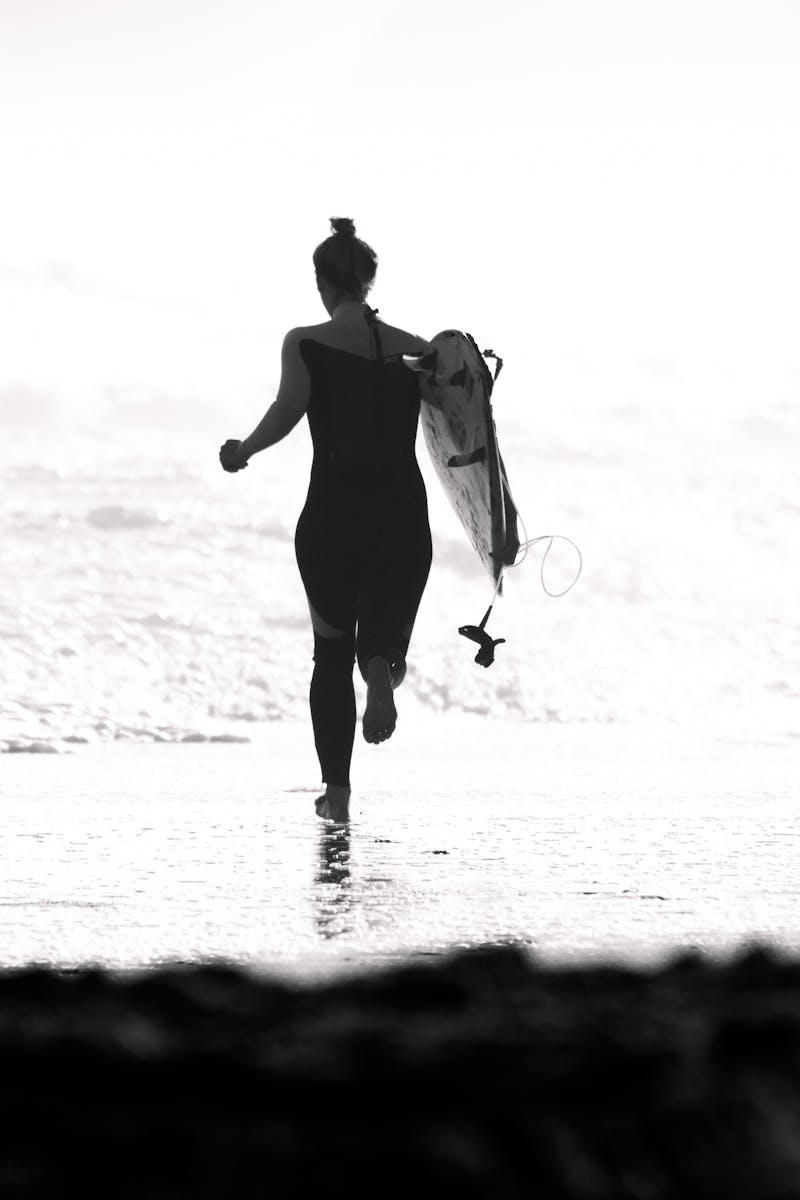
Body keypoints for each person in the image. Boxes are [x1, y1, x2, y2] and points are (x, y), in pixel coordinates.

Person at [220, 217, 433, 821]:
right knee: (383, 633)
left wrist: (243, 451)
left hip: (333, 517)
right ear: (370, 281)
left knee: (329, 653)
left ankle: (336, 797)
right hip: (401, 516)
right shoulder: (419, 352)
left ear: (322, 283)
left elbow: (287, 410)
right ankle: (382, 670)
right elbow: (461, 435)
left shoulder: (305, 342)